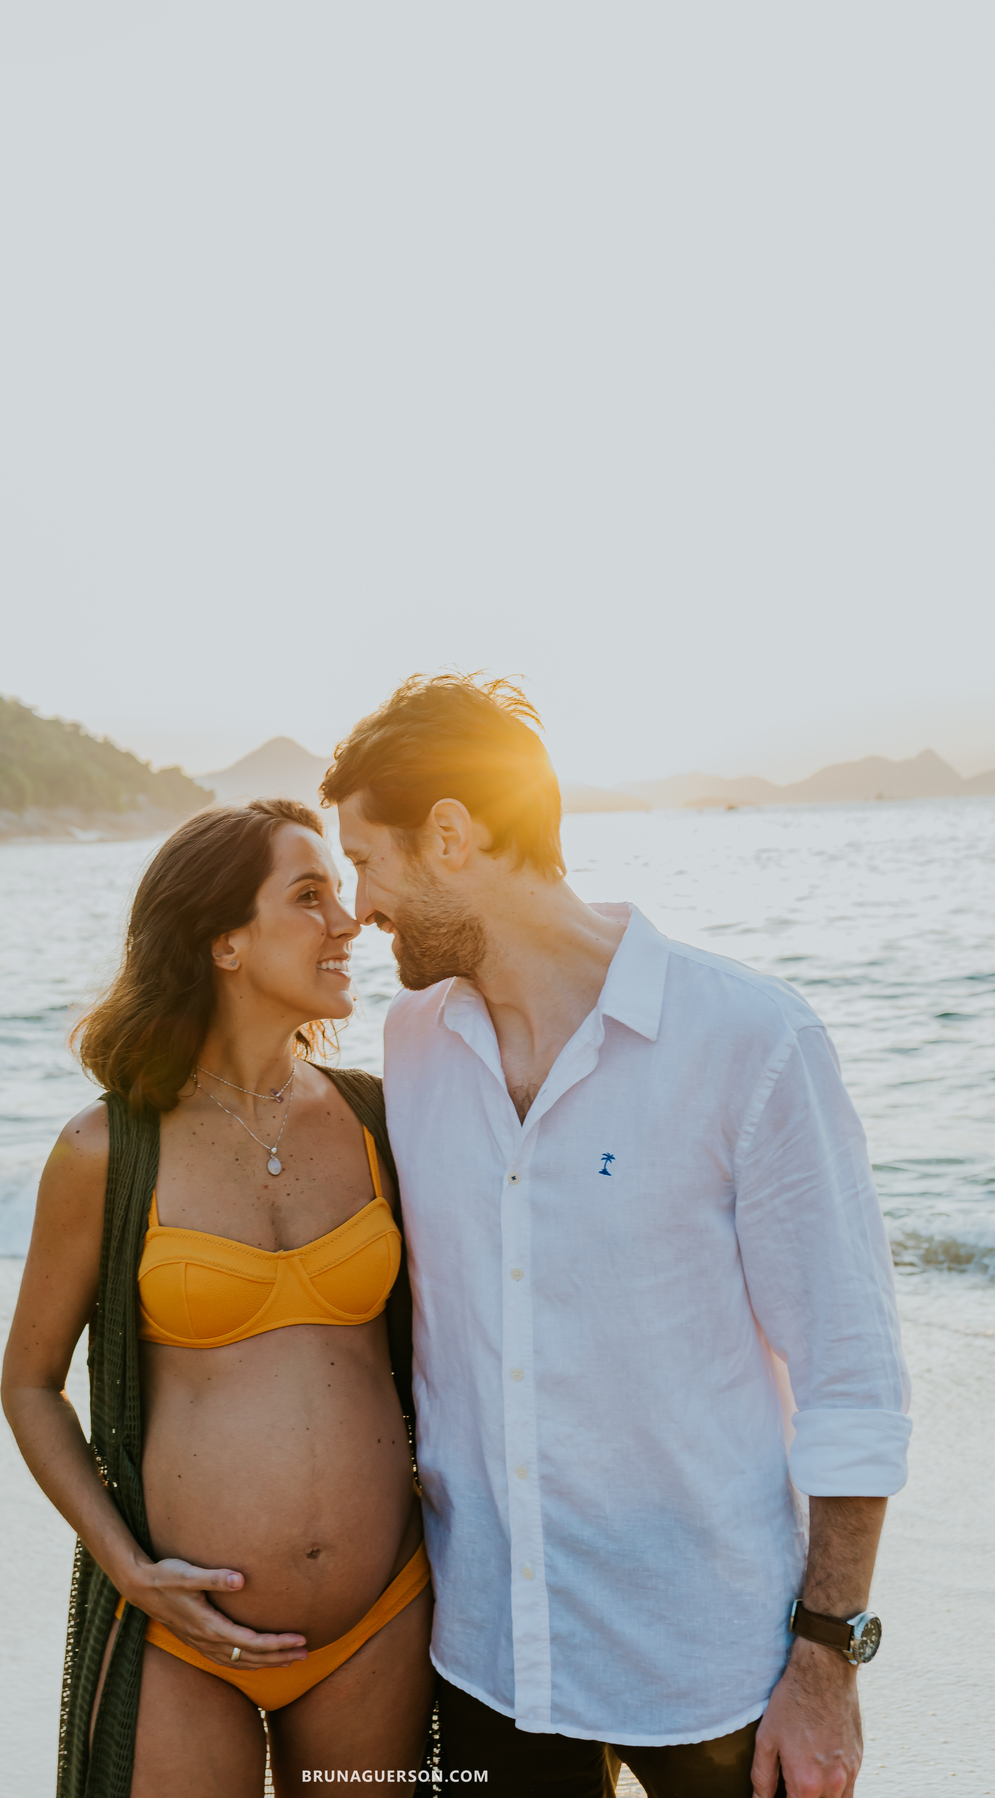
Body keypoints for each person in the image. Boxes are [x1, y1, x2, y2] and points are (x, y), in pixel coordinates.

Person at [323, 675, 910, 1798]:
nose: (359, 906)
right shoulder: (413, 1048)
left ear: (451, 835)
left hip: (711, 1665)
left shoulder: (750, 1039)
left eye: (366, 859)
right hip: (488, 1655)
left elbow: (853, 1380)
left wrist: (827, 1662)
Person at [1, 798, 434, 1798]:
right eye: (310, 895)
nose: (348, 920)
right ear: (226, 941)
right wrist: (128, 1569)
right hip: (180, 1639)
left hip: (382, 1619)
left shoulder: (383, 1118)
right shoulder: (105, 1152)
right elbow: (30, 1386)